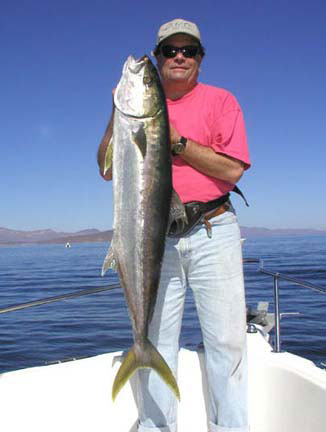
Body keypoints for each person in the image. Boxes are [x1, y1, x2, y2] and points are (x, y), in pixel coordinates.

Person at [98, 18, 250, 432]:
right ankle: (156, 426)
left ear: (200, 58)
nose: (178, 57)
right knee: (159, 340)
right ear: (161, 56)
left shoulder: (222, 101)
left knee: (227, 343)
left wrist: (178, 143)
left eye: (188, 50)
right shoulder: (135, 110)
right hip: (155, 241)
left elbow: (233, 170)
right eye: (168, 51)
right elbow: (106, 168)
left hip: (213, 232)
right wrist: (120, 112)